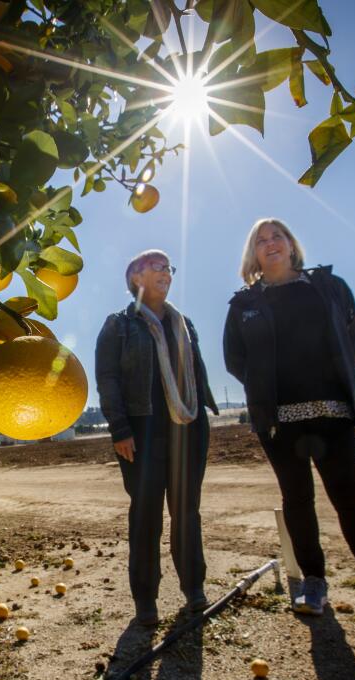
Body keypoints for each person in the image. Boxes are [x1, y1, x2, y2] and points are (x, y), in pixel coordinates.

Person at [222, 219, 355, 634]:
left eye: (277, 236)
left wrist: (333, 378)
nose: (271, 244)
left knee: (352, 502)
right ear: (253, 254)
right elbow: (236, 360)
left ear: (291, 244)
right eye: (261, 240)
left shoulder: (327, 287)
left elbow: (352, 340)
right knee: (297, 501)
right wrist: (266, 389)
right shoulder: (242, 304)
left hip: (333, 415)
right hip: (279, 424)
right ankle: (313, 582)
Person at [95, 249, 219, 626]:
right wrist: (119, 429)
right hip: (142, 433)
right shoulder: (119, 325)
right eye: (157, 266)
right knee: (146, 517)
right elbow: (108, 379)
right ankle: (146, 600)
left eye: (169, 267)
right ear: (136, 277)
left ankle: (194, 589)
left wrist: (204, 416)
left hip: (188, 431)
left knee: (187, 513)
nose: (166, 272)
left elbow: (195, 375)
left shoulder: (185, 323)